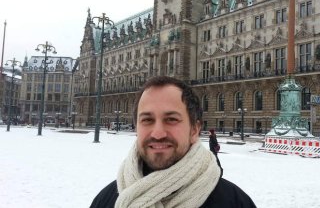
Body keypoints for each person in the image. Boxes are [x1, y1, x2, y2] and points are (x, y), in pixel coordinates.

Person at [91, 76, 256, 208]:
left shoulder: (236, 203)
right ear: (136, 128)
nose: (158, 133)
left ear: (195, 129)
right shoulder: (105, 200)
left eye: (171, 119)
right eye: (147, 120)